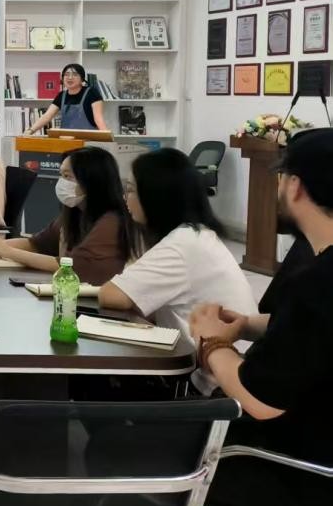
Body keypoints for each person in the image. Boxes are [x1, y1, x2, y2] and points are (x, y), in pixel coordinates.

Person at [188, 128, 333, 506]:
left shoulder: (318, 281)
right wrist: (246, 325)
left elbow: (260, 399)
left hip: (309, 479)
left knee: (179, 454)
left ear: (295, 185)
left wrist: (211, 343)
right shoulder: (317, 281)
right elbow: (313, 327)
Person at [97, 148, 256, 388]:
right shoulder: (195, 234)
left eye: (130, 189)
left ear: (156, 196)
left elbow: (111, 295)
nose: (125, 197)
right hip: (228, 371)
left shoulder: (182, 244)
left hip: (214, 386)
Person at [0, 147, 137, 284]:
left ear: (91, 181)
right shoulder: (75, 211)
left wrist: (9, 252)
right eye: (61, 175)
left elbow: (72, 267)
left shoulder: (112, 221)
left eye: (68, 177)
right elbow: (37, 244)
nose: (62, 182)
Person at [27, 63, 109, 134]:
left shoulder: (91, 93)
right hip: (67, 140)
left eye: (75, 74)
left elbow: (98, 118)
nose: (70, 77)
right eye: (66, 74)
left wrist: (107, 136)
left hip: (88, 141)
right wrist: (30, 131)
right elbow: (47, 116)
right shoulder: (61, 95)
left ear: (82, 79)